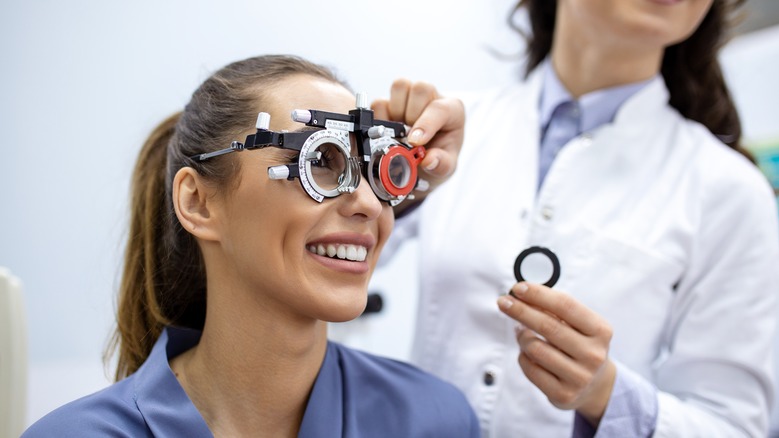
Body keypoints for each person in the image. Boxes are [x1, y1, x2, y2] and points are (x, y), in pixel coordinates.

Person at [373, 0, 779, 436]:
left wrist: (606, 394)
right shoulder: (445, 131)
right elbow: (312, 269)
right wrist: (381, 177)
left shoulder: (731, 191)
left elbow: (733, 425)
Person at [22, 54, 478, 437]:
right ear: (198, 202)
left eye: (377, 170)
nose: (367, 204)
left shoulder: (434, 420)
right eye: (320, 160)